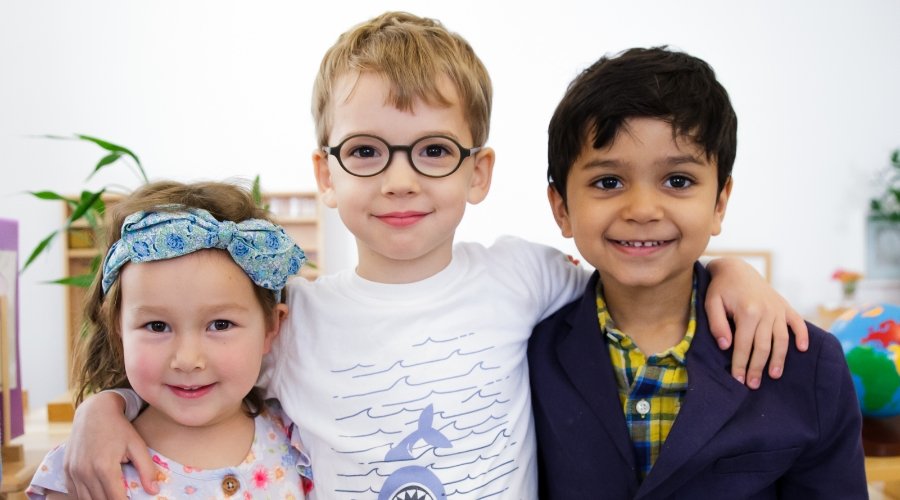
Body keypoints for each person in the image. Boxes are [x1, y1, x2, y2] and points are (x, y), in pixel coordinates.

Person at [63, 14, 810, 500]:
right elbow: (195, 370)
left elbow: (637, 274)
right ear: (326, 174)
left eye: (433, 151)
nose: (399, 180)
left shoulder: (522, 275)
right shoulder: (296, 316)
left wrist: (731, 273)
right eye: (366, 152)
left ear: (478, 173)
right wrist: (104, 408)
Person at [528, 46, 867, 498]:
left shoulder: (806, 363)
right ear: (562, 208)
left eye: (678, 181)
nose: (643, 209)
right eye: (608, 182)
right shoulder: (527, 354)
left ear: (719, 203)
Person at [27, 181, 314, 499]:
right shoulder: (90, 467)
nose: (188, 360)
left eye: (220, 324)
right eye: (157, 326)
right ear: (117, 327)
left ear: (271, 327)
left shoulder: (301, 435)